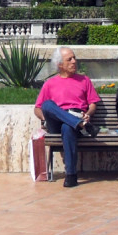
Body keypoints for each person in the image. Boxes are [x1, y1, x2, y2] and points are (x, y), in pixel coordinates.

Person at [34, 47, 100, 187]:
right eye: (69, 59)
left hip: (75, 119)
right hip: (55, 122)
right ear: (60, 64)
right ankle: (80, 124)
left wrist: (87, 115)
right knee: (47, 105)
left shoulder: (84, 80)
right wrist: (45, 119)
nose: (74, 61)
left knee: (68, 127)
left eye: (74, 58)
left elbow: (93, 104)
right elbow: (38, 109)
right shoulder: (50, 84)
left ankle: (71, 175)